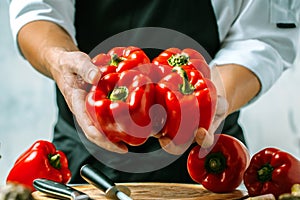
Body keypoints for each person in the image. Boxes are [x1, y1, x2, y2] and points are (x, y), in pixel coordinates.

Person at [8, 0, 299, 183]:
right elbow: (38, 8)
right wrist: (59, 59)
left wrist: (215, 97)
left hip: (206, 154)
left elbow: (263, 36)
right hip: (83, 158)